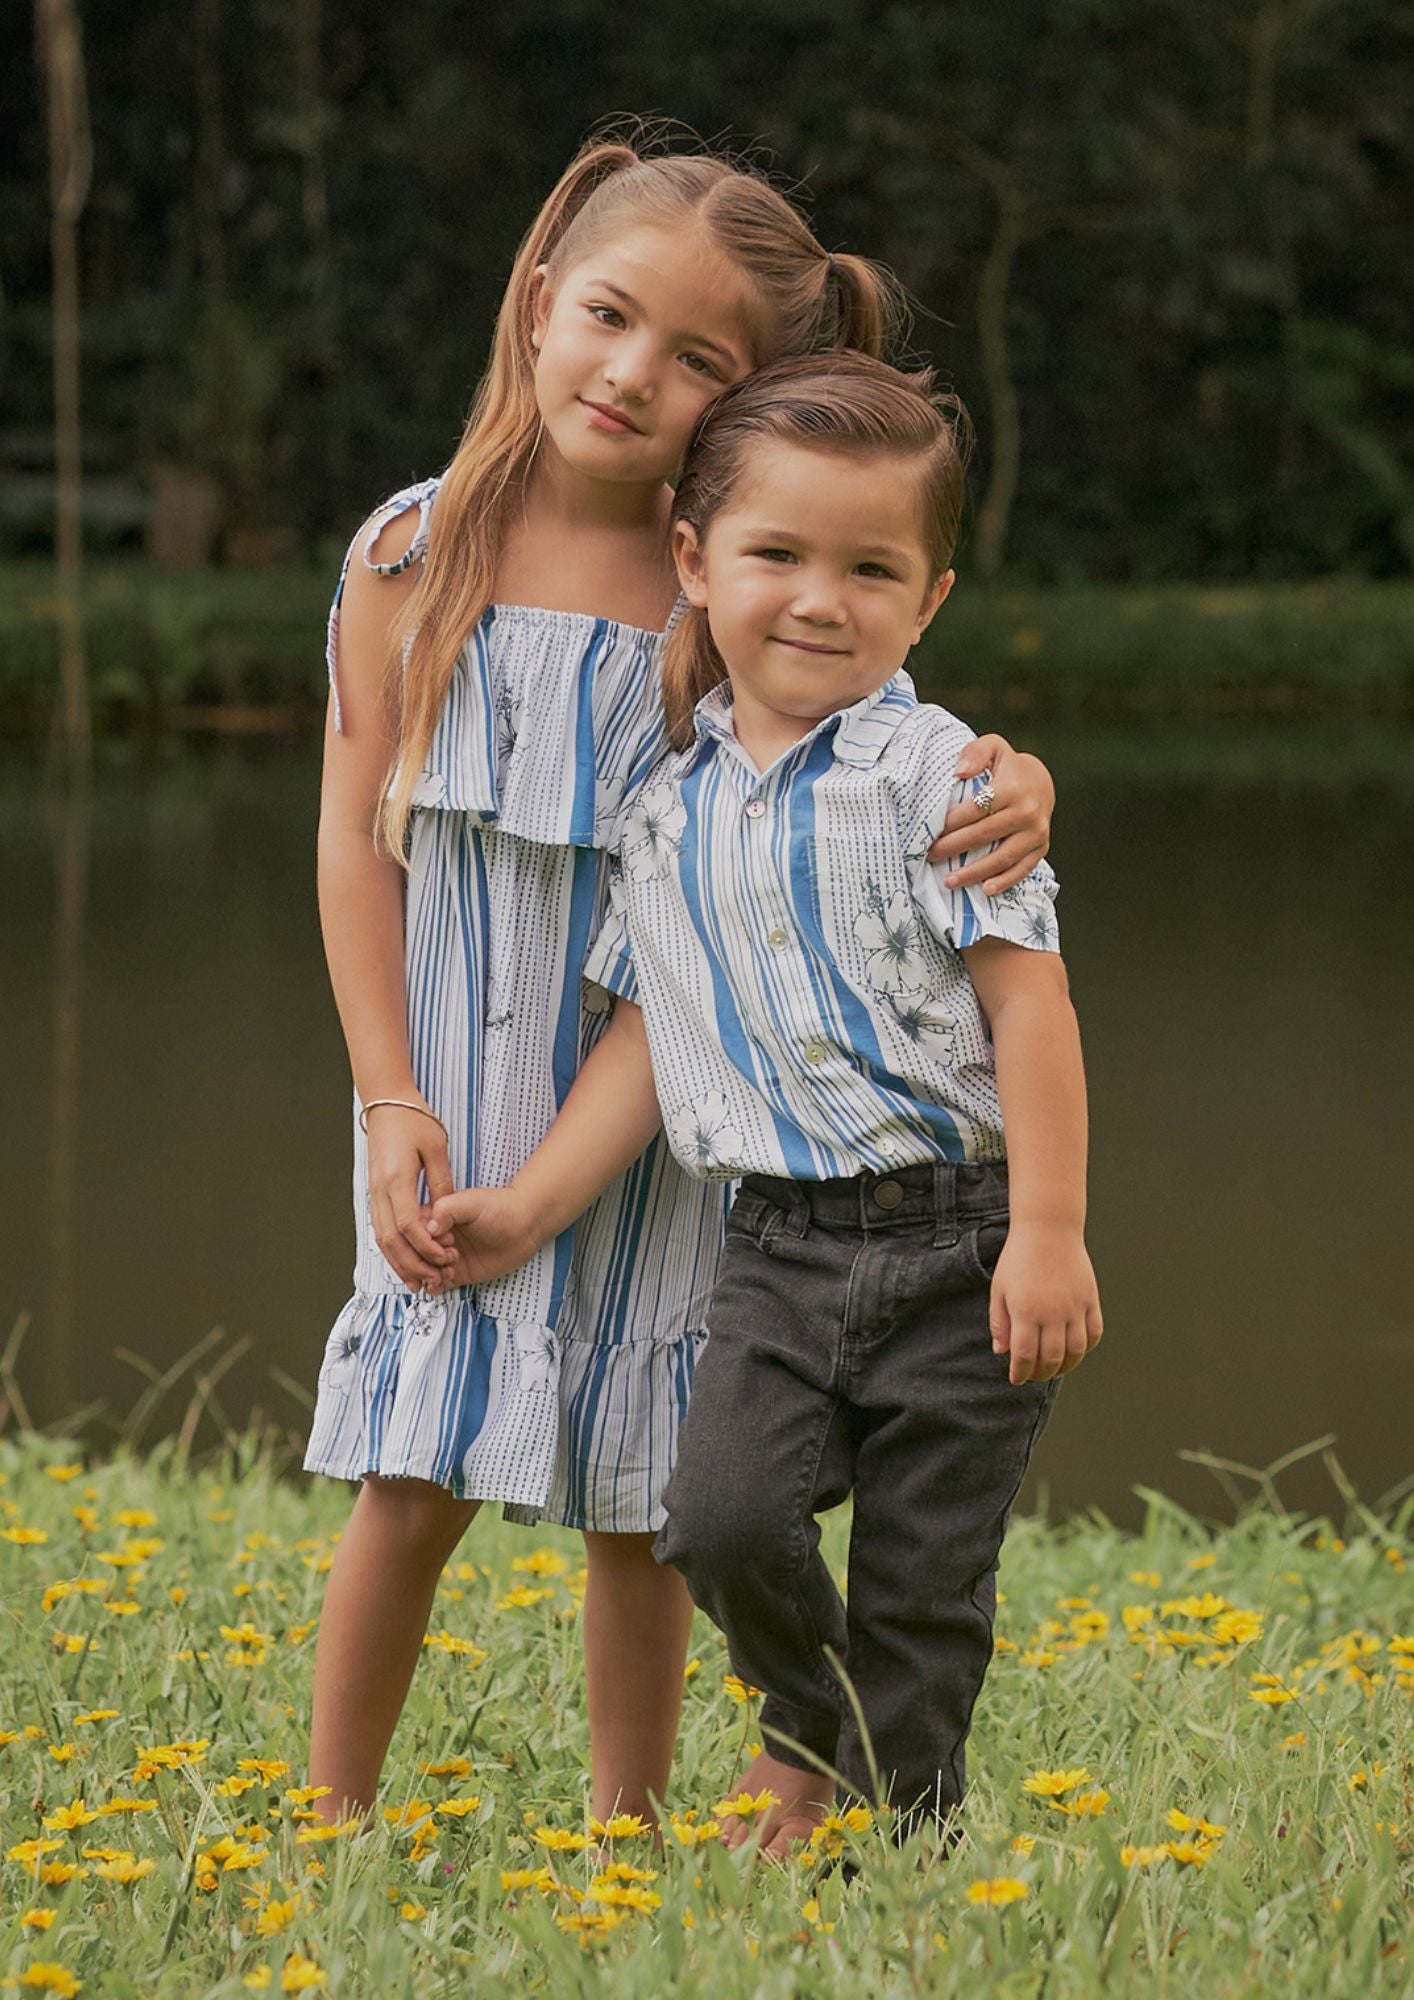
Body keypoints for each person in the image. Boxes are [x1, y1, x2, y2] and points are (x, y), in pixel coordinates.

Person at [303, 131, 1060, 1834]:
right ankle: (327, 1818)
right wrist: (387, 1098)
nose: (633, 374)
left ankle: (624, 1825)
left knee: (640, 1490)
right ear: (537, 302)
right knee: (407, 1467)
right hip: (441, 1088)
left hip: (670, 1102)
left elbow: (893, 760)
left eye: (700, 358)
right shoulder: (409, 560)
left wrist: (1022, 783)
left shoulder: (727, 584)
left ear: (754, 396)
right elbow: (353, 846)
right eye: (610, 317)